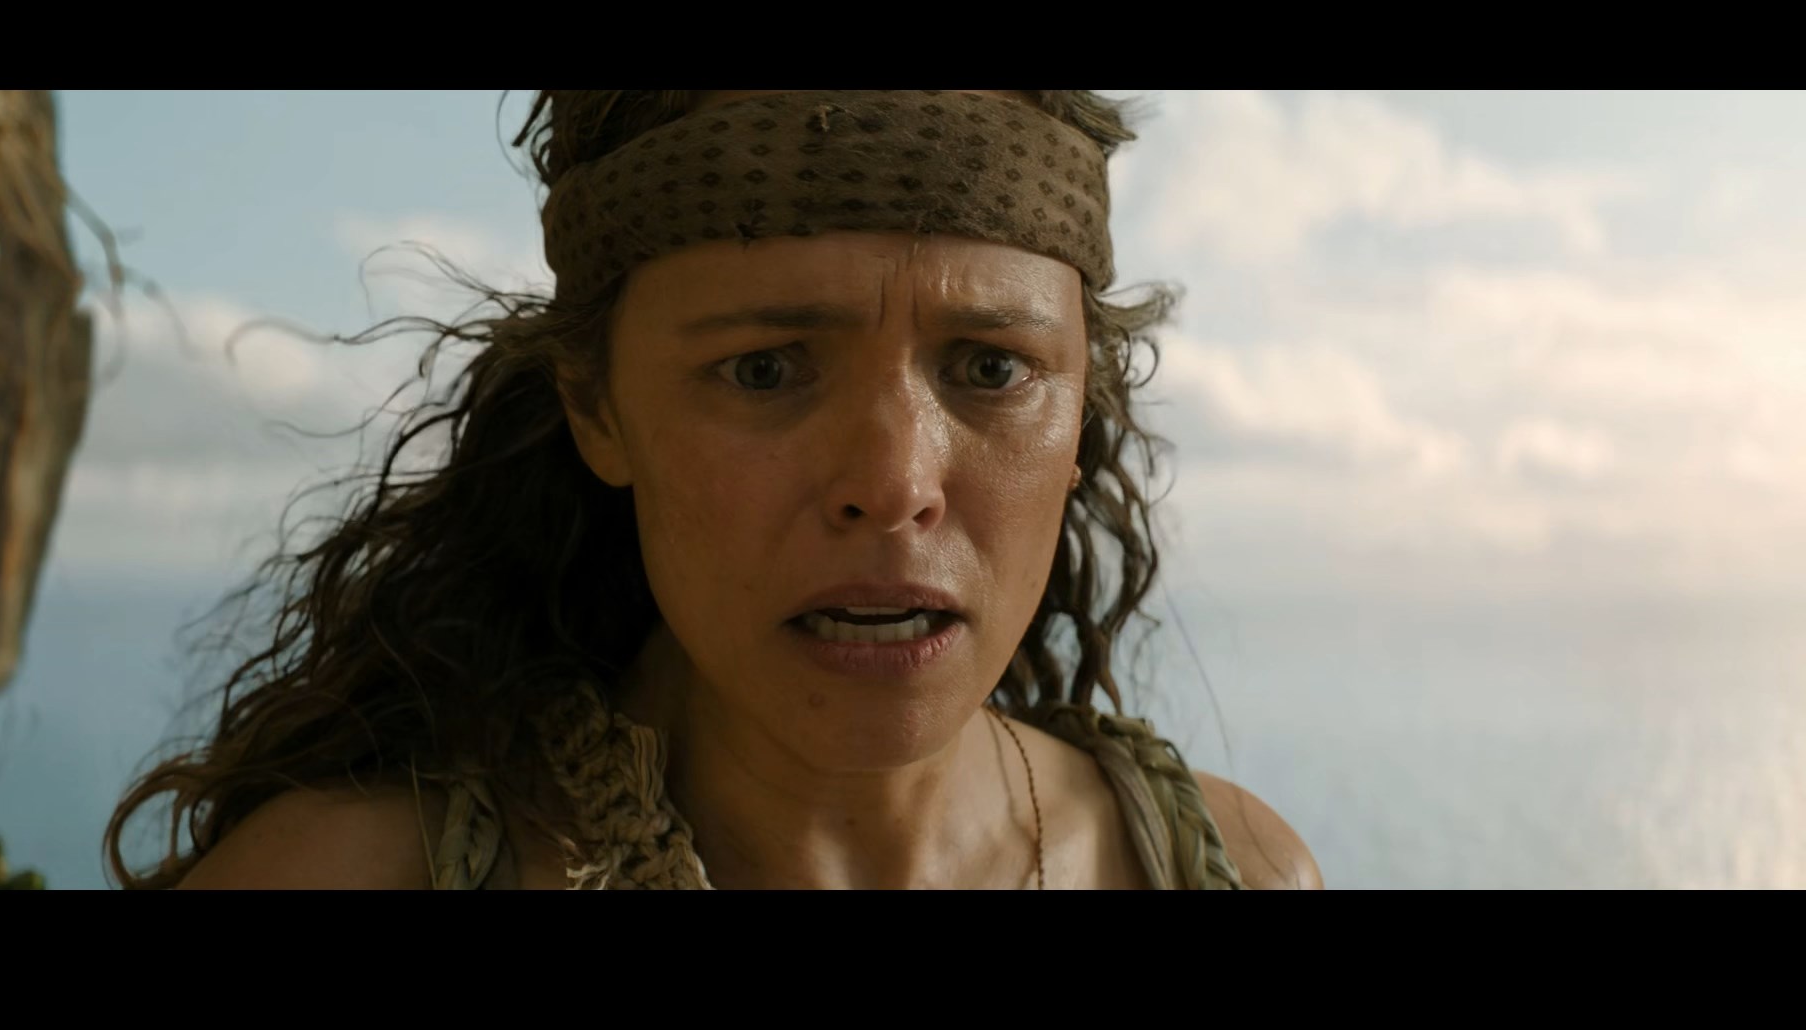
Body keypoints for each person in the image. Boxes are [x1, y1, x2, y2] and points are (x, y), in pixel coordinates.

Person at [107, 89, 1323, 890]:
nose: (894, 484)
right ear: (598, 408)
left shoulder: (1231, 870)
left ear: (1082, 409)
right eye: (765, 369)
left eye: (992, 369)